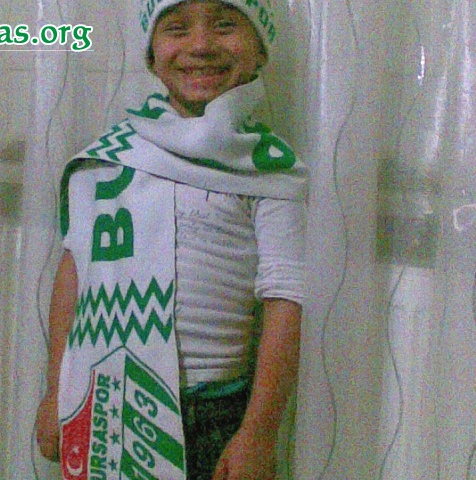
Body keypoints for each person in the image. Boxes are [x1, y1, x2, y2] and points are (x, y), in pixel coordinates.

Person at [36, 1, 306, 479]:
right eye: (177, 28)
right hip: (102, 395)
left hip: (213, 413)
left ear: (260, 50)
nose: (200, 45)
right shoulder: (111, 157)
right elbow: (76, 273)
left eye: (225, 25)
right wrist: (57, 389)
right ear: (151, 55)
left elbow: (286, 299)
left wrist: (259, 432)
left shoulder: (271, 168)